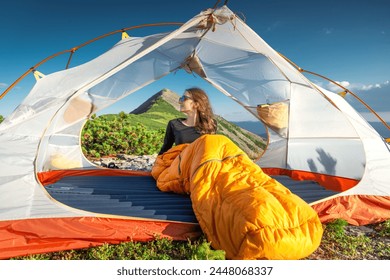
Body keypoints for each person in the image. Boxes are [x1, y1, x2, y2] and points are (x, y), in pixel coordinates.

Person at [158, 87, 217, 155]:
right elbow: (165, 149)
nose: (180, 102)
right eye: (180, 99)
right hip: (182, 163)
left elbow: (212, 150)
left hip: (203, 164)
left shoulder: (210, 124)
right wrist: (157, 164)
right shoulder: (174, 124)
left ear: (196, 104)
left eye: (184, 98)